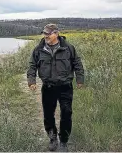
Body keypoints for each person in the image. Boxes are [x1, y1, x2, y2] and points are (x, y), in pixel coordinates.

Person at [26, 24, 85, 152]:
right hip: (48, 88)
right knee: (48, 115)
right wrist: (31, 81)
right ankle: (52, 138)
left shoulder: (68, 48)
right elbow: (32, 66)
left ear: (56, 34)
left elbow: (77, 64)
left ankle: (63, 141)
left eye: (49, 33)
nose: (46, 36)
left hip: (65, 87)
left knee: (66, 113)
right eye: (44, 33)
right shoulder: (38, 49)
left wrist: (80, 79)